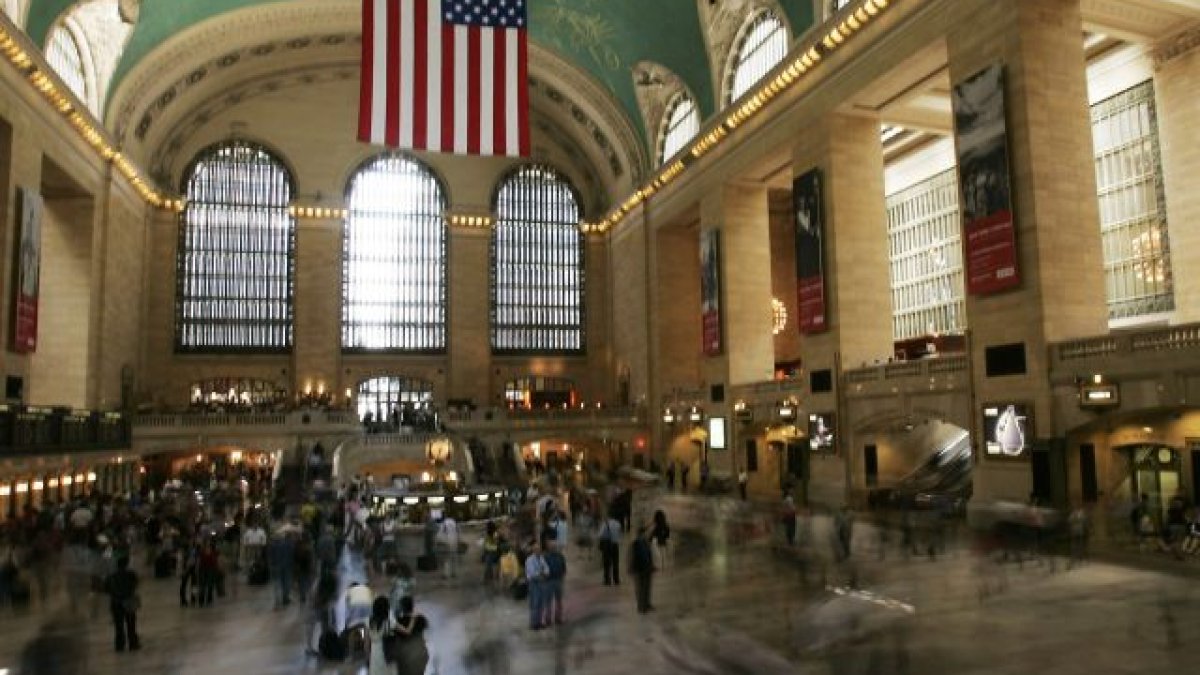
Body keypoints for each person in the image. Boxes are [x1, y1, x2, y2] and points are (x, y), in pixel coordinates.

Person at [105, 556, 140, 652]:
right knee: (131, 624)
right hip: (128, 601)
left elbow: (106, 588)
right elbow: (136, 584)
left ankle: (119, 645)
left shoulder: (111, 576)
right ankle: (133, 643)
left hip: (116, 602)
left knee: (119, 625)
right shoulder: (131, 575)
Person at [392, 596, 430, 675]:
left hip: (405, 658)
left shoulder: (399, 621)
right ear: (412, 606)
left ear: (401, 607)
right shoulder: (421, 618)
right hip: (421, 654)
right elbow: (427, 629)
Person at [365, 596, 395, 675]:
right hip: (388, 652)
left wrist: (368, 659)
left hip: (374, 654)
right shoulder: (390, 622)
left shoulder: (368, 621)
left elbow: (366, 644)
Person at [630, 523, 656, 614]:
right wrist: (632, 569)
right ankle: (641, 607)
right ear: (642, 533)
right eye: (646, 532)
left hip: (647, 569)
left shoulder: (646, 542)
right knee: (640, 588)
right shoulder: (636, 543)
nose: (648, 534)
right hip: (639, 569)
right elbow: (632, 557)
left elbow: (649, 556)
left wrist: (652, 566)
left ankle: (646, 604)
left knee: (647, 588)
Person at [525, 541, 550, 630]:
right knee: (535, 604)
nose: (538, 551)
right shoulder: (529, 560)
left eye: (539, 549)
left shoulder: (541, 558)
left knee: (541, 603)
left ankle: (539, 622)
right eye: (536, 549)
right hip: (534, 584)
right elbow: (532, 573)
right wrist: (542, 573)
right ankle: (533, 623)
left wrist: (543, 573)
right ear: (533, 550)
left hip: (542, 584)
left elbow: (547, 569)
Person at [543, 540, 566, 626]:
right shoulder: (546, 557)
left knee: (559, 601)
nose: (554, 548)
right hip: (549, 581)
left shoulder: (560, 556)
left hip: (558, 580)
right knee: (548, 601)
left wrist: (562, 576)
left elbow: (563, 567)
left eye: (555, 546)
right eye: (552, 546)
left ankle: (558, 618)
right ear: (548, 548)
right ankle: (548, 619)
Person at [597, 510, 622, 586]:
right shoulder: (618, 524)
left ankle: (607, 580)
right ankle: (616, 579)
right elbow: (619, 534)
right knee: (615, 563)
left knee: (607, 563)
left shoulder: (605, 524)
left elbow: (600, 534)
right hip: (615, 545)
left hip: (607, 545)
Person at [438, 513, 460, 579]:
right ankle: (454, 573)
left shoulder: (444, 523)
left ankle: (446, 574)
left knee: (446, 559)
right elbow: (458, 531)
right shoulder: (454, 522)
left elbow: (440, 534)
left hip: (447, 542)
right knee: (454, 558)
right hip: (454, 541)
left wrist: (439, 542)